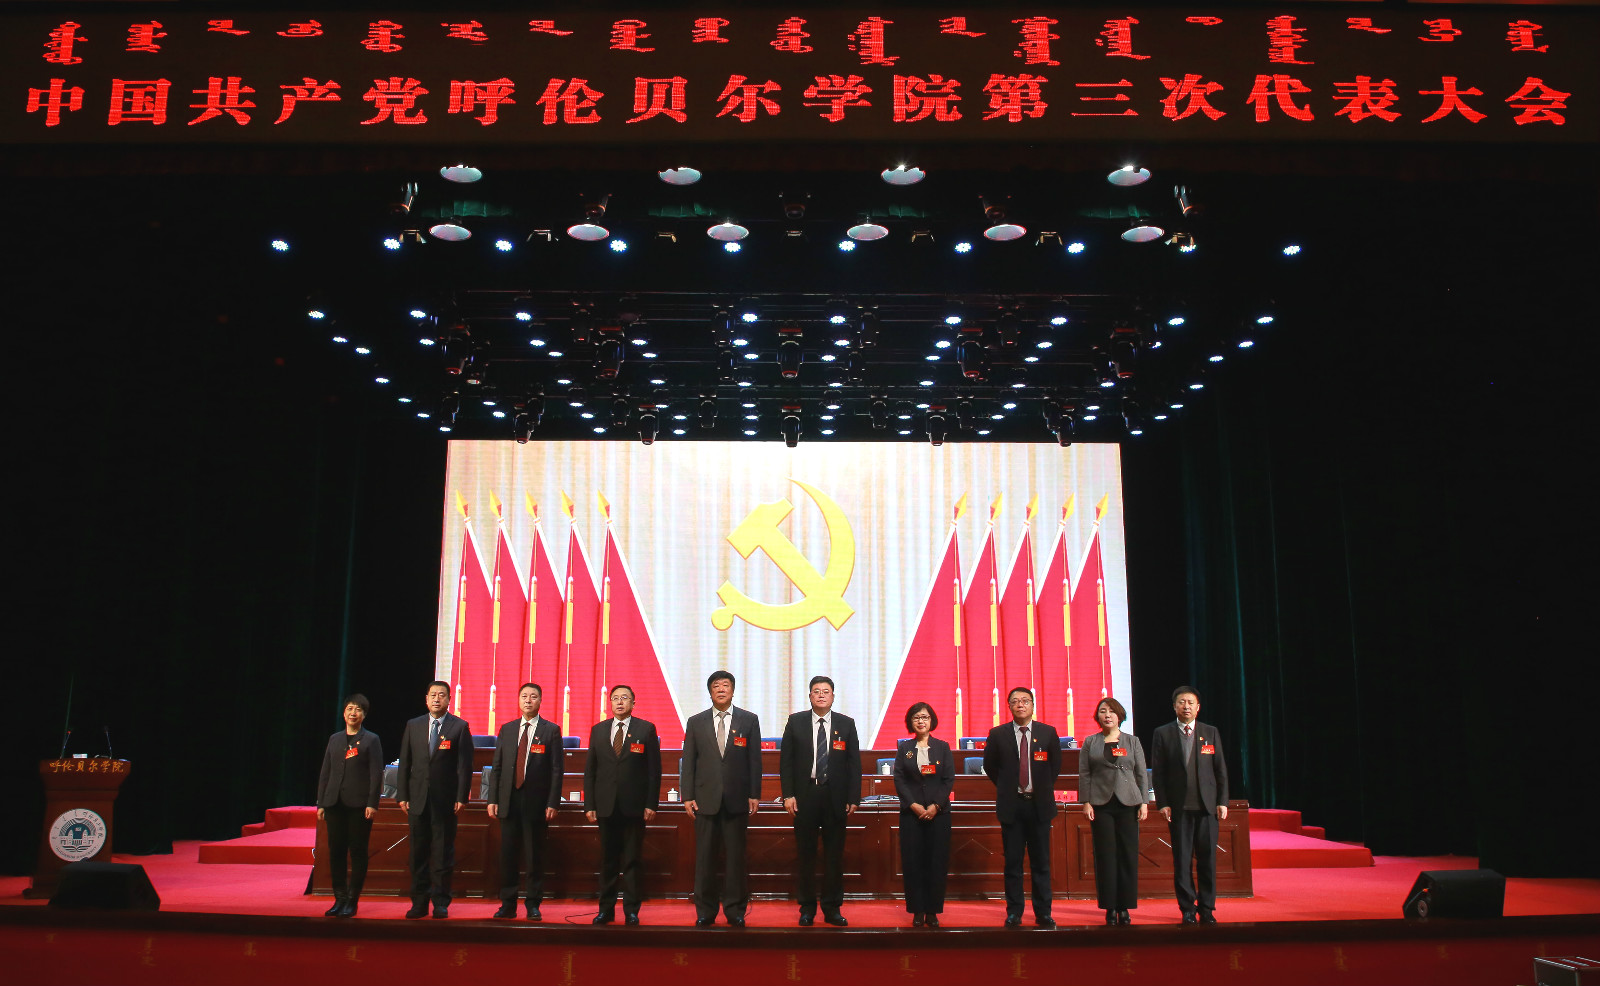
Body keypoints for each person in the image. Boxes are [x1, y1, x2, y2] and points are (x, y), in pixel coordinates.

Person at [681, 670, 762, 928]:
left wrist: (754, 794)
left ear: (733, 690)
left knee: (736, 859)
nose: (721, 689)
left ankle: (735, 910)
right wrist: (687, 796)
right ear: (710, 692)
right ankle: (705, 911)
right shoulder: (696, 722)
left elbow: (754, 761)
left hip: (737, 799)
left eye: (726, 685)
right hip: (705, 800)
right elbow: (689, 761)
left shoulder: (749, 720)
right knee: (705, 859)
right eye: (716, 685)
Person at [779, 675, 861, 927]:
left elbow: (854, 764)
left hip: (835, 797)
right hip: (806, 795)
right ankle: (807, 908)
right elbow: (786, 762)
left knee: (834, 856)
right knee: (806, 855)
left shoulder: (846, 724)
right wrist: (788, 795)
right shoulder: (796, 722)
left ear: (833, 696)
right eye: (817, 691)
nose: (821, 695)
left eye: (826, 691)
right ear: (810, 696)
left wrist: (853, 797)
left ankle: (832, 908)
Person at [983, 686, 1062, 928]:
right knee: (1013, 863)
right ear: (1009, 706)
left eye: (1025, 701)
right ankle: (1014, 912)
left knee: (1041, 863)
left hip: (1039, 806)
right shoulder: (998, 734)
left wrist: (1038, 788)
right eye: (1015, 701)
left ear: (1033, 705)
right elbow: (990, 766)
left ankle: (1043, 913)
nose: (1020, 704)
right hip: (1012, 806)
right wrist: (1009, 787)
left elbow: (1054, 767)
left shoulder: (1048, 733)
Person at [1150, 685, 1230, 924]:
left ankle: (1207, 908)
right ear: (1174, 706)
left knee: (1208, 860)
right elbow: (1158, 773)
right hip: (1179, 808)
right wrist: (1162, 803)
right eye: (1182, 702)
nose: (1186, 706)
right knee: (1182, 860)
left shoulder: (1210, 732)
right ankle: (1187, 908)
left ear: (1198, 707)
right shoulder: (1163, 733)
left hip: (1207, 807)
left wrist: (1222, 801)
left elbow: (1220, 769)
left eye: (1190, 703)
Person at [584, 684, 662, 925]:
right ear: (610, 703)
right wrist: (590, 804)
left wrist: (651, 803)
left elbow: (654, 771)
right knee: (607, 861)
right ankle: (605, 910)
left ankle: (631, 911)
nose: (619, 702)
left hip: (634, 806)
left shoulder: (645, 729)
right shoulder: (598, 730)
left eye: (624, 698)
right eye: (615, 698)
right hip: (605, 806)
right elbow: (590, 771)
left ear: (633, 703)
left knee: (632, 860)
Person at [486, 682, 564, 921]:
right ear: (518, 700)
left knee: (534, 855)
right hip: (509, 801)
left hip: (536, 803)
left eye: (533, 696)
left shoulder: (551, 731)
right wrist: (493, 798)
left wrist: (553, 802)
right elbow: (497, 767)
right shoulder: (507, 729)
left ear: (540, 701)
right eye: (524, 696)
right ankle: (508, 904)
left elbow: (556, 770)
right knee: (508, 855)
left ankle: (533, 904)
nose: (528, 700)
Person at [396, 680, 473, 919]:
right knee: (417, 853)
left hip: (445, 800)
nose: (437, 699)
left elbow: (464, 766)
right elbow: (405, 763)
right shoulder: (414, 725)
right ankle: (418, 902)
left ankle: (440, 902)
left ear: (449, 700)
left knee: (442, 853)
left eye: (441, 695)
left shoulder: (459, 727)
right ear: (426, 699)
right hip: (417, 799)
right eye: (433, 695)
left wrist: (461, 796)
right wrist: (402, 795)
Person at [1079, 697, 1149, 925]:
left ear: (1120, 715)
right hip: (1101, 804)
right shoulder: (1091, 742)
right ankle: (1109, 907)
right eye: (1103, 711)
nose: (1107, 715)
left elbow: (1141, 773)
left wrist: (1144, 802)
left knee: (1127, 855)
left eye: (1111, 711)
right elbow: (1085, 773)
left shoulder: (1132, 741)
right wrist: (1086, 801)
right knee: (1105, 856)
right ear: (1097, 716)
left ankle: (1125, 907)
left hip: (1129, 803)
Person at [315, 693, 383, 918]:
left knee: (357, 851)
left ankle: (352, 901)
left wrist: (372, 803)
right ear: (344, 713)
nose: (353, 713)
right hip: (334, 803)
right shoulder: (334, 739)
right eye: (349, 709)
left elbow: (376, 774)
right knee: (336, 851)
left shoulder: (371, 739)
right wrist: (322, 802)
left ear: (364, 715)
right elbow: (325, 772)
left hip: (359, 805)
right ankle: (339, 899)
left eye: (358, 710)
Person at [893, 702, 954, 927]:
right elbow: (899, 779)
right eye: (916, 717)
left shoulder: (943, 747)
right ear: (911, 722)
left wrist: (936, 806)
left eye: (925, 717)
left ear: (932, 721)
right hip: (912, 815)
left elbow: (948, 780)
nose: (921, 721)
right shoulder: (904, 748)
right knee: (913, 863)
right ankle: (917, 911)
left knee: (936, 863)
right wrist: (914, 805)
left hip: (939, 815)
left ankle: (933, 911)